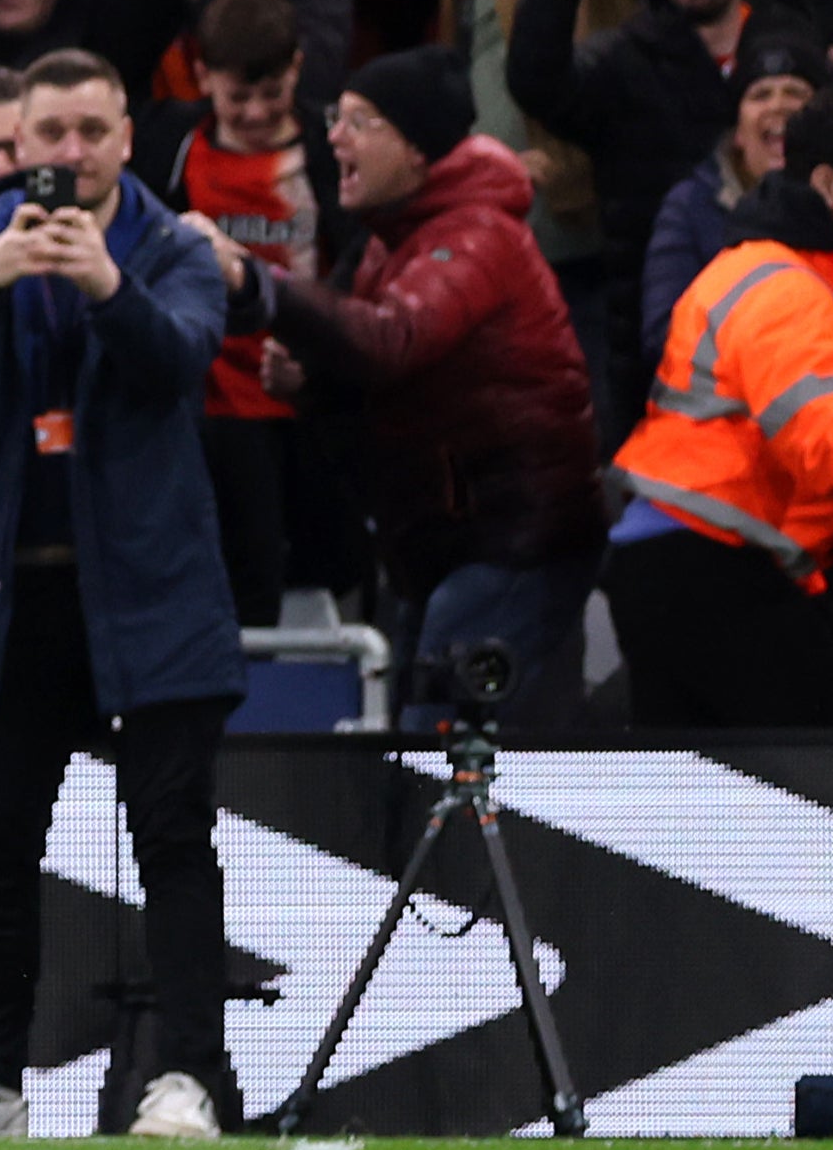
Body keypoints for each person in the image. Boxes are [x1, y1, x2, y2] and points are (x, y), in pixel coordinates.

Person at [0, 53, 242, 1143]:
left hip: (147, 597)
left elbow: (179, 356)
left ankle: (185, 1078)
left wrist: (101, 284)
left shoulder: (173, 244)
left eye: (90, 129)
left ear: (125, 136)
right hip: (10, 598)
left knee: (170, 837)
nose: (68, 153)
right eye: (50, 132)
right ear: (18, 143)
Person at [241, 50, 603, 713]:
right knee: (411, 740)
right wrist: (312, 387)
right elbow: (382, 379)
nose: (333, 137)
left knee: (438, 744)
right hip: (445, 541)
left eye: (358, 122)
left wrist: (254, 282)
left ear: (413, 146)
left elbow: (391, 342)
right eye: (334, 118)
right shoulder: (393, 235)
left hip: (511, 541)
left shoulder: (473, 236)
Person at [600, 89, 833, 726]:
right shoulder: (785, 290)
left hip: (680, 556)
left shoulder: (763, 269)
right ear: (830, 185)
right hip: (706, 561)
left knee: (703, 807)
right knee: (821, 782)